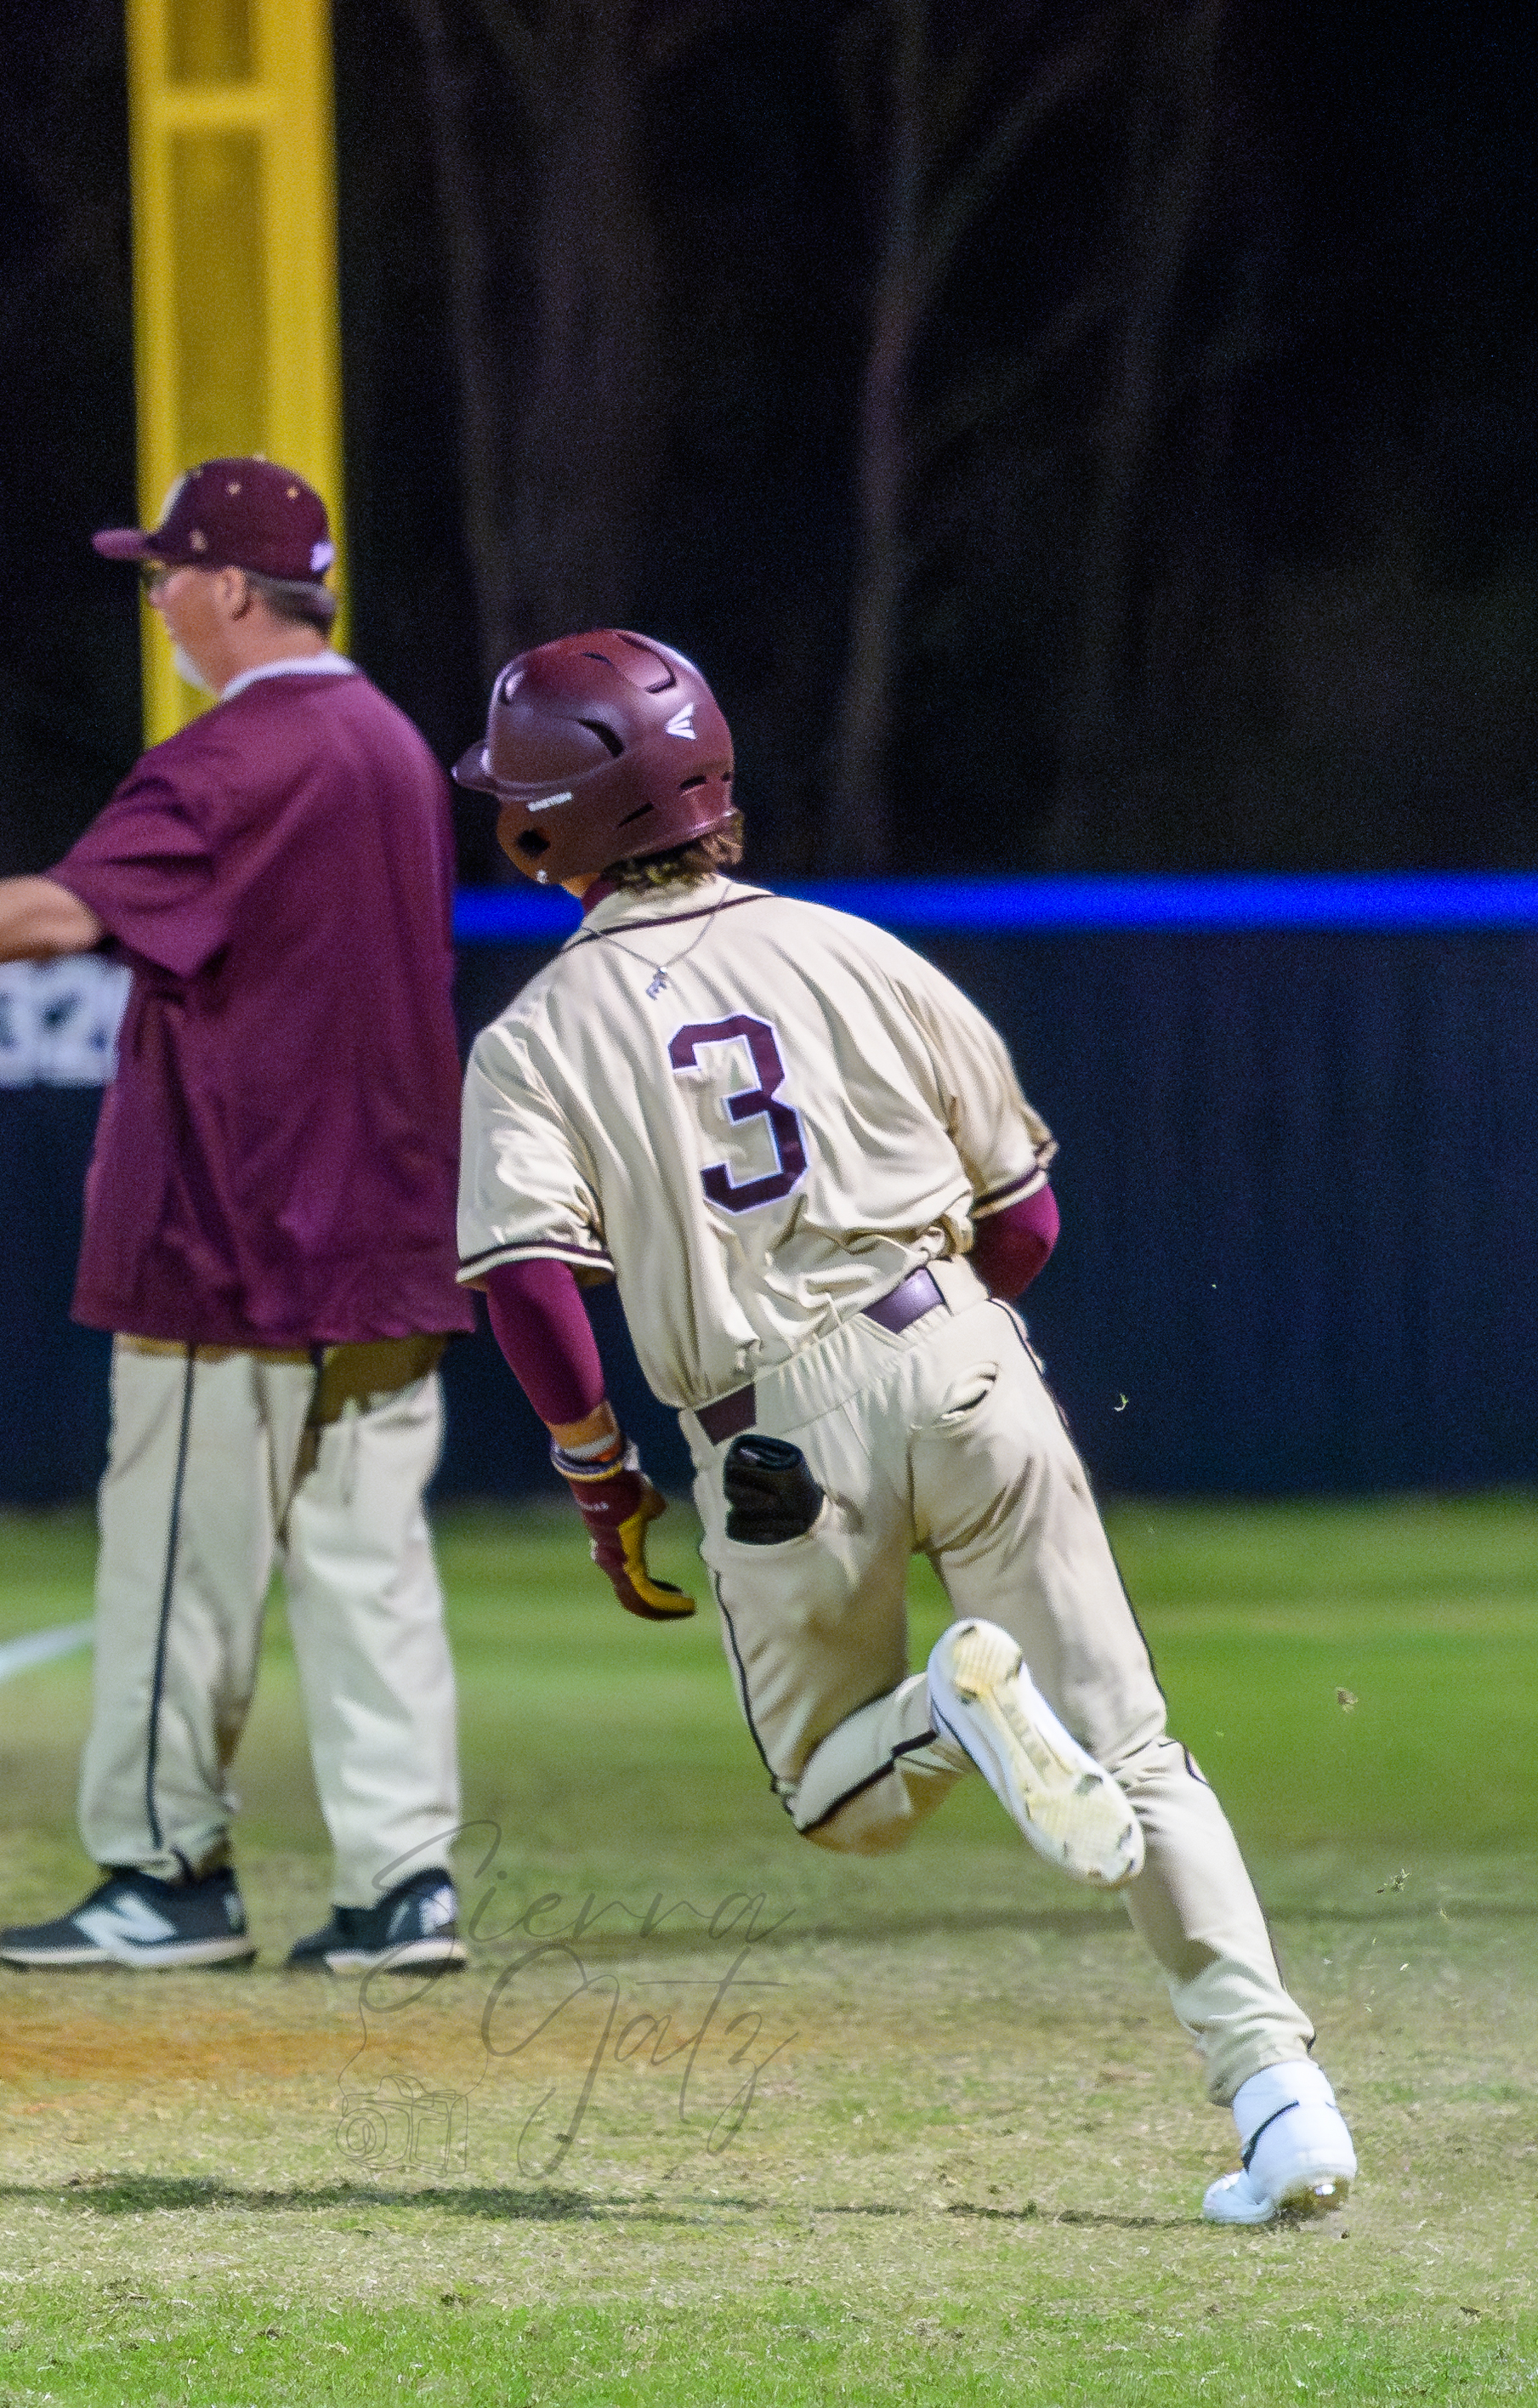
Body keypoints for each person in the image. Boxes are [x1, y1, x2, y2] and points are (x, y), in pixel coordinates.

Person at [446, 628, 1361, 2222]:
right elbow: (1030, 1227)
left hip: (773, 1435)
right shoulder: (862, 953)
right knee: (1131, 1744)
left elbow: (527, 1284)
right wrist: (957, 1344)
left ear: (545, 828)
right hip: (958, 1348)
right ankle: (1281, 2101)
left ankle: (951, 1706)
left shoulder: (536, 1037)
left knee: (838, 1797)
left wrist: (598, 1471)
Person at [0, 457, 476, 1978]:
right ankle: (405, 1888)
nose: (160, 597)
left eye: (168, 571)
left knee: (183, 1573)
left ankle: (167, 1876)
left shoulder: (238, 755)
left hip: (234, 1242)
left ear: (235, 589)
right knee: (371, 1570)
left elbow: (61, 914)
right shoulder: (386, 743)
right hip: (382, 1238)